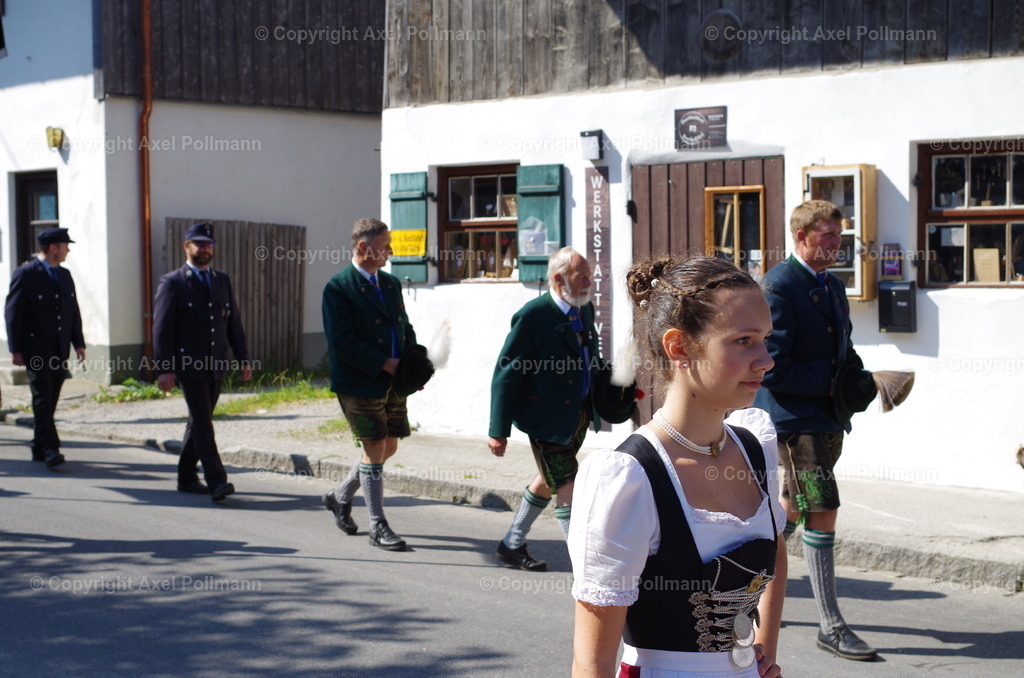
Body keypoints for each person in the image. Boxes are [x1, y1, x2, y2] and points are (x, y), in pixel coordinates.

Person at [569, 255, 786, 678]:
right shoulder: (629, 476)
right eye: (743, 341)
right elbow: (591, 663)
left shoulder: (755, 446)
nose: (765, 359)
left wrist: (762, 651)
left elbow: (775, 548)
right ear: (679, 347)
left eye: (764, 339)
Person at [752, 199, 877, 661]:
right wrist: (830, 384)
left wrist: (862, 381)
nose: (837, 244)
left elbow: (843, 347)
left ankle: (733, 581)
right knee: (822, 509)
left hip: (825, 418)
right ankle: (832, 626)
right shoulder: (780, 286)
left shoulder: (833, 286)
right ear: (801, 238)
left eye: (839, 236)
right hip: (794, 420)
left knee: (792, 508)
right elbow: (773, 367)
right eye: (827, 236)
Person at [488, 247, 603, 572]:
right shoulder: (534, 315)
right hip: (545, 420)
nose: (588, 284)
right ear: (558, 278)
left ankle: (512, 543)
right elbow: (506, 373)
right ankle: (587, 568)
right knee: (568, 484)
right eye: (582, 277)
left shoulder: (584, 309)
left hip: (577, 416)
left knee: (548, 479)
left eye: (589, 277)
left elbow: (590, 359)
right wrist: (498, 430)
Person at [320, 218, 419, 552]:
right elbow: (342, 342)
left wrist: (413, 367)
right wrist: (385, 363)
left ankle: (339, 496)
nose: (390, 251)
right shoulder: (339, 288)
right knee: (374, 447)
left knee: (388, 446)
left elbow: (404, 328)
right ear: (363, 248)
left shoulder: (389, 284)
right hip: (358, 383)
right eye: (385, 245)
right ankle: (378, 525)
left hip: (393, 381)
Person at [153, 222, 251, 502]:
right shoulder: (173, 282)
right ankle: (217, 480)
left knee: (199, 421)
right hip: (188, 364)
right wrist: (164, 368)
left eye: (209, 244)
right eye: (199, 244)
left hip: (216, 364)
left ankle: (186, 478)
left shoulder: (221, 280)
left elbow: (233, 323)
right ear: (187, 247)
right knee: (203, 423)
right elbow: (162, 329)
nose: (205, 249)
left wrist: (243, 358)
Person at [5, 227, 86, 468]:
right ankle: (51, 448)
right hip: (35, 348)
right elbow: (13, 313)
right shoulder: (26, 274)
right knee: (42, 397)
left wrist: (78, 343)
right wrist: (15, 349)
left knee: (51, 398)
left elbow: (72, 311)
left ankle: (39, 445)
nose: (68, 250)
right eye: (65, 245)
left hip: (59, 348)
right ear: (53, 248)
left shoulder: (64, 275)